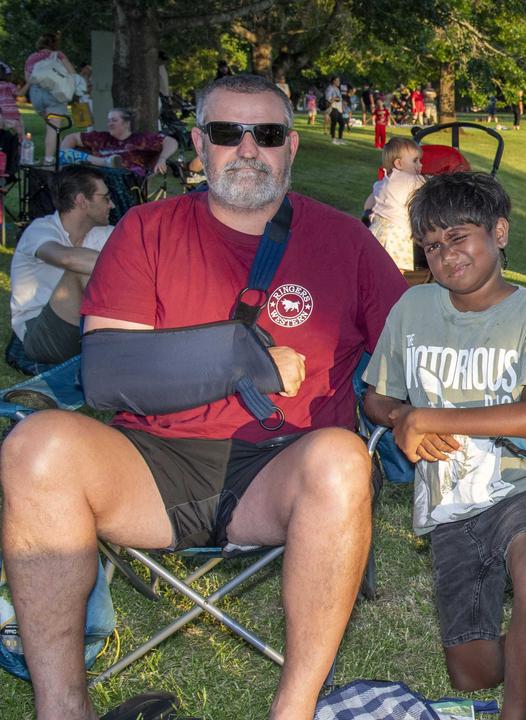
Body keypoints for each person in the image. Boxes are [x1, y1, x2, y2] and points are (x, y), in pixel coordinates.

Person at [0, 72, 407, 720]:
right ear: (198, 143)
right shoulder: (146, 230)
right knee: (35, 447)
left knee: (341, 459)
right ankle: (62, 708)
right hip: (151, 460)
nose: (248, 149)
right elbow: (109, 372)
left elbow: (415, 345)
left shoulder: (345, 243)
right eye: (227, 132)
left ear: (291, 147)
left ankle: (292, 712)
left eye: (267, 133)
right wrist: (244, 359)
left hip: (280, 467)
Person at [362, 171, 526, 720]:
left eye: (459, 236)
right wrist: (402, 415)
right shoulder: (413, 310)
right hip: (448, 499)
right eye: (432, 246)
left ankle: (516, 714)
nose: (446, 255)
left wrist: (426, 415)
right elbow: (377, 399)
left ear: (499, 232)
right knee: (472, 671)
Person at [9, 165, 113, 364]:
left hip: (82, 326)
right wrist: (127, 266)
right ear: (81, 201)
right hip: (38, 333)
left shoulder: (103, 233)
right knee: (79, 272)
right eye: (105, 198)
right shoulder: (40, 230)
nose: (112, 205)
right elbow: (65, 258)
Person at [60, 107, 178, 177]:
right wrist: (63, 161)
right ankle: (104, 162)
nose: (110, 123)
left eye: (114, 120)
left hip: (127, 182)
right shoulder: (100, 137)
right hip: (96, 181)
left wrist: (162, 159)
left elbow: (171, 141)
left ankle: (105, 162)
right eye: (109, 120)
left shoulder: (141, 139)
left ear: (126, 123)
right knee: (65, 155)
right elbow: (71, 138)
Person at [366, 137, 424, 272]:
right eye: (415, 161)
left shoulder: (382, 182)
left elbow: (367, 205)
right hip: (397, 233)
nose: (420, 165)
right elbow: (432, 187)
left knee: (378, 270)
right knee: (396, 273)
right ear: (399, 164)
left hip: (376, 230)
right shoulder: (411, 180)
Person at [25, 31, 77, 165]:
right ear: (55, 44)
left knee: (53, 128)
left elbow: (28, 79)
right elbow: (72, 73)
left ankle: (60, 154)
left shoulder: (31, 58)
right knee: (53, 128)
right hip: (55, 95)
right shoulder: (58, 55)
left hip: (36, 95)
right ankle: (49, 160)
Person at [0, 61, 26, 180]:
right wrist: (29, 83)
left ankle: (5, 159)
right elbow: (19, 94)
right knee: (19, 138)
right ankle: (19, 159)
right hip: (13, 115)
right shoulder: (9, 85)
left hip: (2, 115)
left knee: (4, 139)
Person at [325, 76, 346, 144]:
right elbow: (328, 98)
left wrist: (342, 104)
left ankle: (340, 139)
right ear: (333, 81)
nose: (339, 82)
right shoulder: (330, 88)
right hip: (333, 107)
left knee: (342, 123)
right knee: (334, 123)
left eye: (339, 81)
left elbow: (340, 98)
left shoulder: (337, 89)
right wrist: (336, 99)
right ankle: (333, 139)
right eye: (337, 81)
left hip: (338, 108)